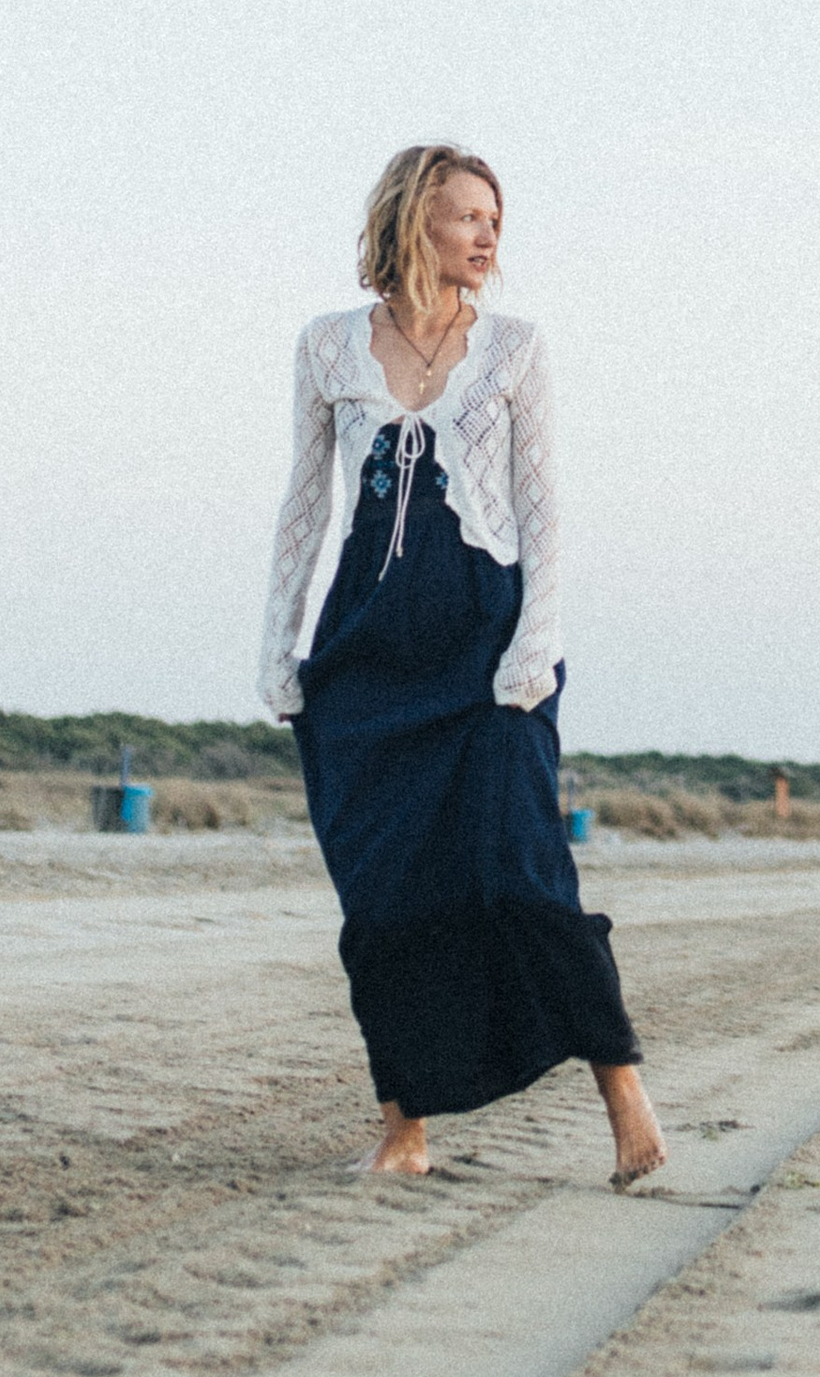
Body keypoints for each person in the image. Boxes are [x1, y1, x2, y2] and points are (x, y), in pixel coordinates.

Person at [258, 143, 666, 1188]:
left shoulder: (516, 348)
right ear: (411, 221)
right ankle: (405, 1123)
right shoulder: (328, 347)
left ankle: (622, 1091)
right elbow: (306, 507)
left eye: (496, 218)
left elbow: (542, 510)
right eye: (467, 216)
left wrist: (539, 638)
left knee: (523, 873)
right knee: (382, 897)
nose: (488, 236)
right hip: (367, 649)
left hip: (487, 641)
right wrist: (279, 642)